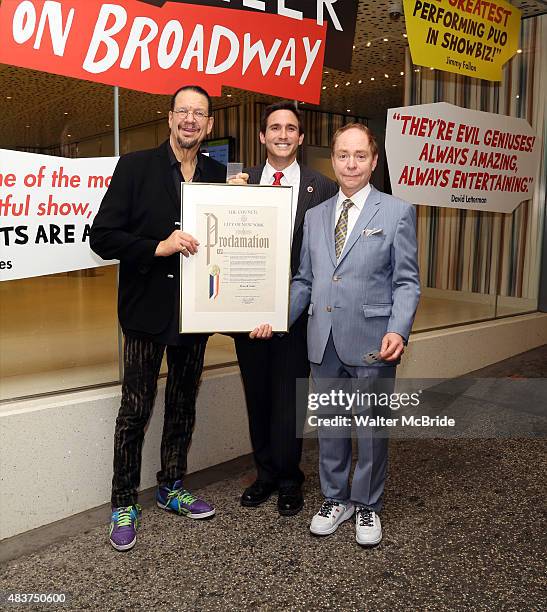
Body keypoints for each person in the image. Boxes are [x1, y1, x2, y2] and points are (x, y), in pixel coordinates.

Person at [90, 85, 246, 552]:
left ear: (210, 125)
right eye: (184, 111)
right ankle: (123, 501)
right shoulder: (136, 166)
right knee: (135, 410)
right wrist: (156, 246)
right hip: (144, 311)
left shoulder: (219, 173)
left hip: (195, 312)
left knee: (182, 404)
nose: (191, 120)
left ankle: (171, 486)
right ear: (170, 118)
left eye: (200, 113)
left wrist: (241, 201)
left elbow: (233, 237)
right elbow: (102, 236)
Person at [253, 122, 420, 545]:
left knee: (370, 427)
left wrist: (399, 329)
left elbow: (407, 282)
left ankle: (367, 506)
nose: (350, 164)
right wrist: (278, 318)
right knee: (330, 425)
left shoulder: (397, 211)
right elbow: (305, 280)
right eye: (343, 155)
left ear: (374, 161)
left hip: (372, 340)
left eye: (360, 156)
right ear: (333, 158)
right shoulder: (315, 216)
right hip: (322, 338)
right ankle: (335, 498)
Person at [235, 101, 338, 516]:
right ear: (262, 136)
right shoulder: (241, 183)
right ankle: (265, 476)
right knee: (257, 396)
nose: (282, 134)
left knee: (290, 399)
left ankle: (290, 478)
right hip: (246, 311)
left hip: (300, 315)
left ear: (299, 137)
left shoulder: (323, 187)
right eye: (274, 127)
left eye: (290, 128)